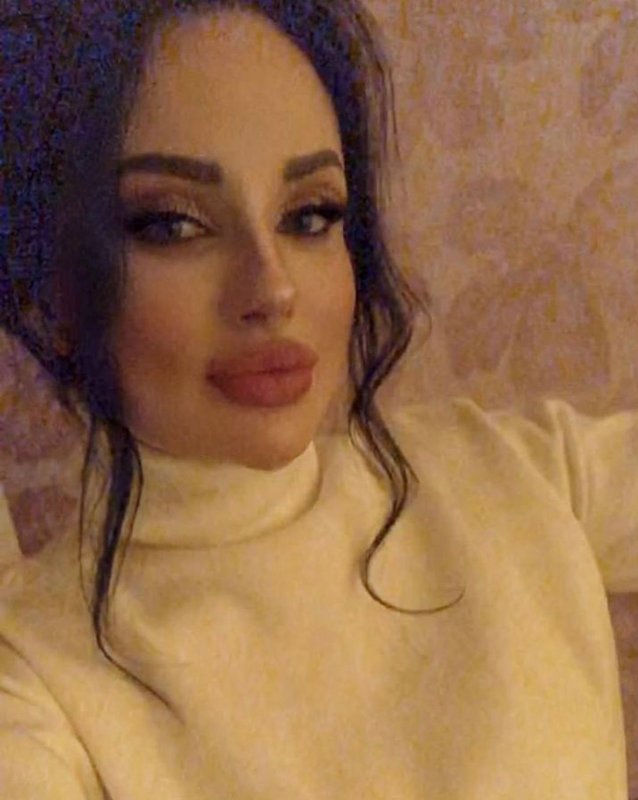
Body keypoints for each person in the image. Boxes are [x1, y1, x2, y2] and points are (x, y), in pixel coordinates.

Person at [1, 1, 637, 798]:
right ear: (52, 297)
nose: (272, 289)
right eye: (172, 225)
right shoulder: (36, 687)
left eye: (310, 216)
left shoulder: (517, 476)